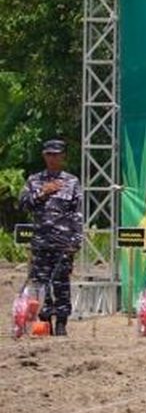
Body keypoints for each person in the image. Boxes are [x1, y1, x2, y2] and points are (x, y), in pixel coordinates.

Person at [18, 139, 83, 336]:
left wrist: (76, 240)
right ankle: (44, 320)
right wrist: (42, 192)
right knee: (40, 282)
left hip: (63, 243)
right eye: (49, 154)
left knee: (61, 283)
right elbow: (23, 205)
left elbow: (77, 213)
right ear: (44, 156)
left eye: (57, 154)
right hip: (41, 242)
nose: (53, 158)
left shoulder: (72, 182)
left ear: (63, 156)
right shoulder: (34, 180)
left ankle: (62, 322)